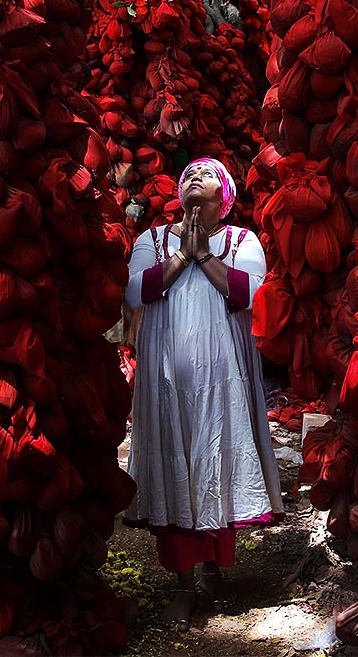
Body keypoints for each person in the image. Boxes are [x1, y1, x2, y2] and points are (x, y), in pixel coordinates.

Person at [123, 157, 284, 629]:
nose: (195, 179)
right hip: (167, 380)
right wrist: (180, 257)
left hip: (223, 380)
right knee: (176, 463)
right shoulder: (151, 242)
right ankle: (184, 587)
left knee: (217, 462)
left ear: (225, 198)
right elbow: (135, 293)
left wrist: (205, 257)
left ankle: (216, 574)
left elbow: (251, 295)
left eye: (207, 175)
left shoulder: (241, 241)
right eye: (189, 175)